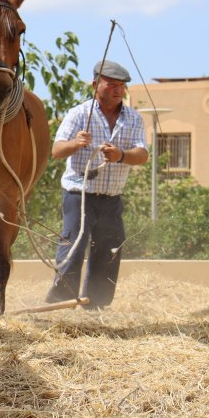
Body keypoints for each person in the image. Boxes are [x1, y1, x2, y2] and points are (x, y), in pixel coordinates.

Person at [43, 59, 148, 310]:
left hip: (112, 198)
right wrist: (75, 143)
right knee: (74, 247)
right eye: (111, 84)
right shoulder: (79, 114)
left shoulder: (133, 119)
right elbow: (57, 151)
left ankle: (96, 306)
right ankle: (61, 303)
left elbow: (142, 155)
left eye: (121, 86)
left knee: (108, 251)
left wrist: (121, 155)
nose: (117, 90)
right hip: (79, 195)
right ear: (94, 85)